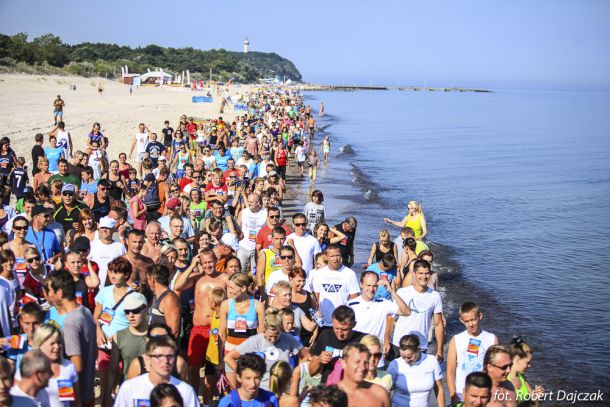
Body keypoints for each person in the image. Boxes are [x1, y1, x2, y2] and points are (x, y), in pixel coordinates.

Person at [43, 271, 96, 406]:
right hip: (88, 393)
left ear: (59, 293)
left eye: (50, 291)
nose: (47, 295)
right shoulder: (85, 311)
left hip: (76, 397)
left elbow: (76, 367)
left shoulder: (70, 322)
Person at [224, 308, 303, 391]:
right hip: (262, 390)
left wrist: (296, 374)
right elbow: (228, 358)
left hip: (284, 389)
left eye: (276, 336)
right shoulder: (255, 341)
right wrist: (245, 376)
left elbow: (305, 355)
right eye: (270, 336)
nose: (273, 340)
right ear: (264, 330)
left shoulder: (288, 338)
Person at [113, 336, 198, 407]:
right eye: (159, 356)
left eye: (169, 356)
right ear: (148, 359)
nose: (165, 361)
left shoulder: (185, 391)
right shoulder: (129, 388)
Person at [187, 250, 228, 394]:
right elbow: (177, 286)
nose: (208, 265)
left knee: (213, 368)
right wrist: (192, 265)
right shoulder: (197, 277)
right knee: (193, 367)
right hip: (199, 329)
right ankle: (193, 397)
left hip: (217, 327)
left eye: (210, 261)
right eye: (204, 263)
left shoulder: (224, 278)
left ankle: (209, 400)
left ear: (216, 260)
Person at [15, 324, 80, 407]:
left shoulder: (68, 367)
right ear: (40, 344)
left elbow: (75, 402)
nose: (57, 346)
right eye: (52, 343)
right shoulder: (26, 368)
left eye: (59, 342)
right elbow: (16, 400)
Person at [447, 302, 498, 406]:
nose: (471, 324)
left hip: (483, 395)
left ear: (480, 316)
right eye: (467, 321)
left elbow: (496, 370)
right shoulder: (456, 340)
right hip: (461, 394)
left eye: (473, 319)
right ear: (461, 320)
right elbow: (450, 370)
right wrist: (453, 394)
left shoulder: (491, 339)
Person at [349, 271, 410, 356]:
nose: (371, 289)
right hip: (358, 355)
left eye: (374, 286)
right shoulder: (350, 305)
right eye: (368, 285)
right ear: (361, 285)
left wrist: (391, 291)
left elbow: (406, 312)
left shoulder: (383, 303)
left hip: (377, 357)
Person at [393, 260, 444, 363]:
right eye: (420, 273)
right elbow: (390, 317)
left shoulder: (435, 296)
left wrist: (440, 350)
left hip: (421, 346)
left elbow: (438, 324)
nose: (424, 277)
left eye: (427, 273)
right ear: (414, 274)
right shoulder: (402, 293)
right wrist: (386, 341)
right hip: (399, 344)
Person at [309, 306, 365, 384]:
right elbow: (311, 372)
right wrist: (319, 360)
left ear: (354, 324)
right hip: (328, 388)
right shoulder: (325, 335)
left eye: (344, 329)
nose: (340, 333)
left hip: (351, 388)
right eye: (336, 328)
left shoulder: (363, 340)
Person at [388, 334, 444, 407]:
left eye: (409, 357)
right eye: (403, 357)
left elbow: (439, 389)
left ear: (418, 349)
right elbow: (386, 390)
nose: (406, 360)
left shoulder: (432, 361)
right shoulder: (395, 364)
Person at [312, 245, 359, 326]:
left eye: (337, 255)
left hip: (342, 322)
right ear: (326, 257)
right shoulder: (318, 274)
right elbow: (315, 300)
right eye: (332, 256)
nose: (335, 259)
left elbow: (355, 300)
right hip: (323, 323)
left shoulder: (350, 274)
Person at [88, 216, 126, 286]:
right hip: (95, 287)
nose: (104, 230)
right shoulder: (92, 246)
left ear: (113, 229)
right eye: (102, 227)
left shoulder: (120, 247)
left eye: (107, 228)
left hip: (114, 287)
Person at [507, 337, 544, 405]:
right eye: (527, 362)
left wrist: (538, 395)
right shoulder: (505, 382)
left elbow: (535, 403)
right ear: (517, 360)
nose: (529, 365)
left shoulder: (522, 377)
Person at [236, 193, 267, 273]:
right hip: (243, 247)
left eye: (251, 202)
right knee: (240, 272)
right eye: (248, 201)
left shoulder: (265, 213)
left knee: (256, 273)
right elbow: (237, 229)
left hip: (258, 248)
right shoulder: (243, 212)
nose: (249, 203)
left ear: (258, 203)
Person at [147, 264, 180, 337]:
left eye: (148, 279)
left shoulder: (169, 299)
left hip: (164, 343)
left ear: (152, 279)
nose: (148, 283)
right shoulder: (157, 296)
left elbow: (174, 331)